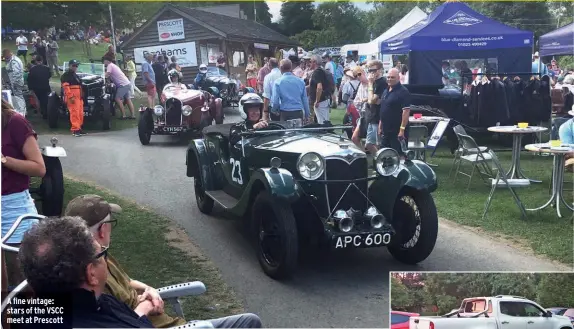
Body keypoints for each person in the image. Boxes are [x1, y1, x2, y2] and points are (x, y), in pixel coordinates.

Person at [63, 195, 263, 328]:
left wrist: (149, 289)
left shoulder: (99, 257)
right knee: (249, 322)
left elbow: (126, 281)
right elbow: (120, 323)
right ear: (102, 230)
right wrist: (147, 306)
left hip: (164, 321)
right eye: (110, 223)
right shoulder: (91, 278)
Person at [1, 99, 45, 291]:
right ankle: (5, 321)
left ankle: (33, 319)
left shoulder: (15, 122)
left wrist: (3, 159)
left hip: (14, 206)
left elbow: (39, 168)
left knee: (25, 276)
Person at [379, 68, 411, 154]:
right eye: (388, 77)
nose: (389, 79)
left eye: (392, 77)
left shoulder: (403, 92)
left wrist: (402, 130)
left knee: (398, 155)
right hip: (386, 130)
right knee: (384, 153)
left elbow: (406, 112)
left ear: (398, 78)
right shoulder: (386, 91)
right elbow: (383, 109)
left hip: (397, 131)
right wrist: (380, 125)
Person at [363, 60, 387, 154]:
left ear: (380, 70)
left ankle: (384, 162)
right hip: (371, 116)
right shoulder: (374, 82)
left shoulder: (382, 82)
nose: (371, 73)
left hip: (378, 117)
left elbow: (372, 100)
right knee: (369, 144)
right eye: (369, 70)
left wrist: (369, 84)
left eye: (373, 70)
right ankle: (380, 160)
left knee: (378, 144)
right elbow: (370, 99)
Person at [61, 59, 86, 136]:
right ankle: (75, 130)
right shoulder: (66, 75)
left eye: (76, 66)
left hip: (79, 97)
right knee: (74, 113)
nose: (75, 67)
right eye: (74, 65)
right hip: (73, 96)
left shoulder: (75, 75)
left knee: (80, 113)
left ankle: (79, 128)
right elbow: (65, 87)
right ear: (70, 66)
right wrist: (70, 96)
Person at [308, 54, 333, 124]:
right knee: (324, 121)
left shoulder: (317, 72)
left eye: (310, 61)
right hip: (325, 99)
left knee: (321, 122)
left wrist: (317, 101)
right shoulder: (322, 71)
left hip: (321, 101)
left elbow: (319, 87)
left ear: (314, 62)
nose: (309, 63)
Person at [2, 49, 27, 116]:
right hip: (15, 82)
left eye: (6, 57)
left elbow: (16, 73)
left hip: (16, 83)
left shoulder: (14, 61)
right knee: (16, 97)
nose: (5, 58)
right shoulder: (12, 59)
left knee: (18, 97)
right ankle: (20, 111)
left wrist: (13, 83)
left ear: (8, 54)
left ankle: (22, 113)